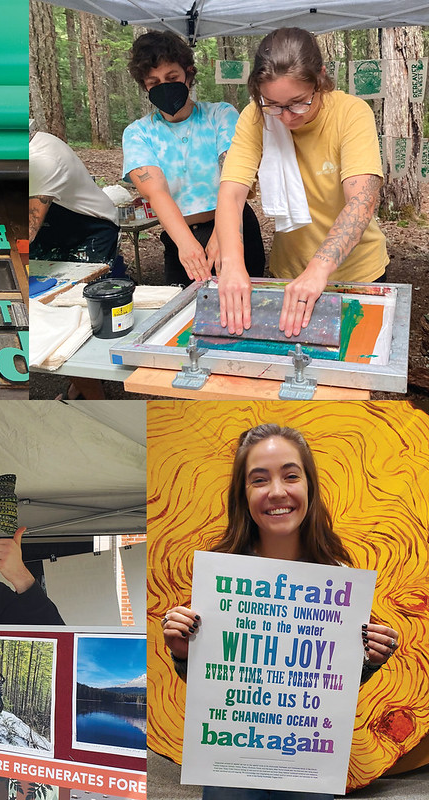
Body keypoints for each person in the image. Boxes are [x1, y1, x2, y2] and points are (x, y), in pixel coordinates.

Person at [162, 424, 399, 800]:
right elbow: (219, 689)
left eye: (290, 475)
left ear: (309, 487)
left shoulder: (338, 583)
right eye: (259, 479)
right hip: (232, 763)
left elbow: (328, 690)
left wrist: (369, 658)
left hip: (307, 765)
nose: (277, 491)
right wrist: (183, 652)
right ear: (243, 495)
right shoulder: (221, 579)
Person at [216, 27, 389, 338]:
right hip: (289, 270)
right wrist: (231, 264)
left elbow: (361, 200)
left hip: (358, 273)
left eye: (298, 103)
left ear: (320, 79)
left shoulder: (351, 113)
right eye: (273, 103)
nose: (286, 117)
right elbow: (231, 194)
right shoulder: (256, 117)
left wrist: (318, 270)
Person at [123, 30, 265, 285]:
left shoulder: (221, 115)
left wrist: (224, 233)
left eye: (172, 77)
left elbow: (235, 178)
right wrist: (185, 243)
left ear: (188, 73)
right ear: (145, 85)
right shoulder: (138, 133)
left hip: (235, 227)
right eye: (154, 82)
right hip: (179, 236)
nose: (164, 86)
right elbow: (156, 193)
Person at [29, 123, 120, 265]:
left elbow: (28, 229)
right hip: (51, 228)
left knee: (80, 284)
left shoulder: (43, 160)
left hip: (90, 227)